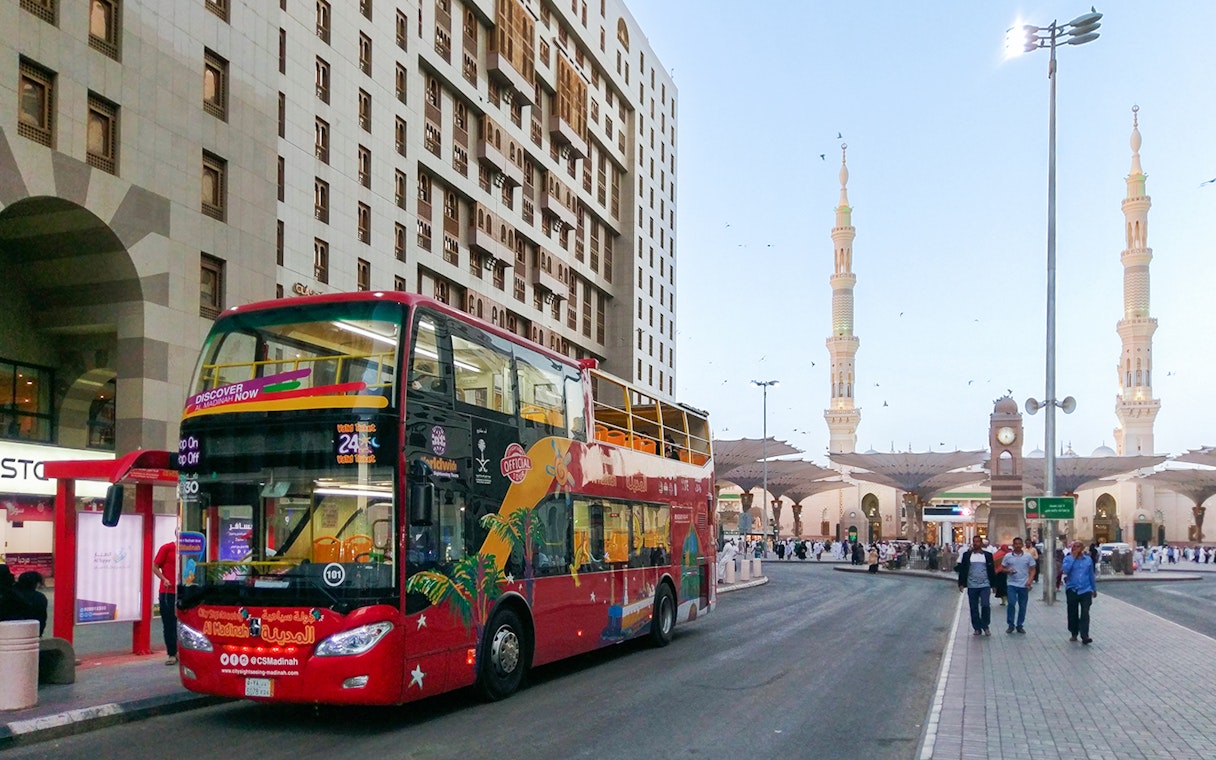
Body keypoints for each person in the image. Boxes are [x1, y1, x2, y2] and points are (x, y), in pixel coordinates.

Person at [956, 535, 997, 636]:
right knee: (973, 607)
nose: (976, 543)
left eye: (978, 542)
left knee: (985, 605)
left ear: (981, 543)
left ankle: (985, 625)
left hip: (985, 585)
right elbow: (963, 570)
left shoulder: (987, 555)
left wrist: (994, 584)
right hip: (972, 585)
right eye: (974, 542)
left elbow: (991, 570)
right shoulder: (967, 555)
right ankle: (977, 628)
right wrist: (961, 583)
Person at [1061, 540, 1097, 644]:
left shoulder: (1088, 560)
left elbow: (1091, 574)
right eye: (1074, 546)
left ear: (1082, 548)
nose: (1075, 548)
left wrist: (1093, 588)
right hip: (1072, 589)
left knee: (1085, 612)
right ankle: (1074, 632)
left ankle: (1085, 635)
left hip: (1085, 589)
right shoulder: (1068, 559)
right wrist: (1073, 557)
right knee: (1073, 612)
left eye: (1077, 547)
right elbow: (1065, 570)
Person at [1001, 537, 1037, 633]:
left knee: (1022, 606)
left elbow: (1033, 569)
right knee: (1011, 603)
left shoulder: (1028, 556)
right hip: (1011, 584)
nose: (1017, 545)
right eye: (1015, 544)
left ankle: (1020, 625)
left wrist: (1030, 580)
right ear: (1013, 545)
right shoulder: (1008, 556)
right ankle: (1010, 624)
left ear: (1022, 545)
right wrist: (1008, 570)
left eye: (1019, 544)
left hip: (1024, 584)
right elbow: (1002, 568)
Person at [152, 541, 179, 665]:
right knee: (169, 624)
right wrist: (164, 579)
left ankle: (182, 652)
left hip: (184, 591)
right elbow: (155, 566)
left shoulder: (191, 548)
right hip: (168, 592)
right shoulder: (167, 548)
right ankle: (172, 653)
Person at [8, 571, 49, 636]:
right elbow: (42, 618)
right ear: (36, 584)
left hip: (9, 633)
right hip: (32, 633)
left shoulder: (10, 594)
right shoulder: (40, 597)